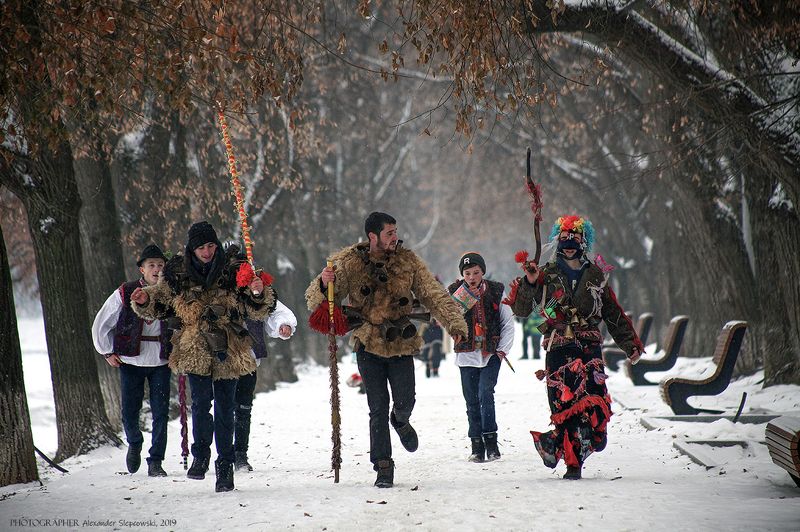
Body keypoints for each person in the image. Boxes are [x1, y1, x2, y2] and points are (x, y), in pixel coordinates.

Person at [305, 211, 468, 488]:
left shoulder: (408, 261)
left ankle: (401, 421)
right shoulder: (350, 263)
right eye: (389, 233)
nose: (394, 237)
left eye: (395, 231)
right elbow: (316, 300)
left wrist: (455, 324)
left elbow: (433, 293)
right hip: (368, 342)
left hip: (401, 341)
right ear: (373, 236)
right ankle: (383, 465)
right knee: (376, 406)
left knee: (405, 401)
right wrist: (323, 281)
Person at [131, 221, 275, 492]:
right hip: (195, 345)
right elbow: (160, 300)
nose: (207, 252)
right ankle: (200, 454)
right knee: (199, 403)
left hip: (229, 345)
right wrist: (143, 300)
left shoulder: (234, 268)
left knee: (225, 407)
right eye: (201, 247)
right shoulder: (177, 272)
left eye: (210, 246)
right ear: (192, 249)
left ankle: (225, 466)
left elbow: (256, 305)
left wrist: (257, 291)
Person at [508, 215, 642, 480]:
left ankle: (572, 443)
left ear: (584, 242)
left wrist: (631, 344)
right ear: (558, 242)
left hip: (589, 348)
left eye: (575, 240)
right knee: (565, 407)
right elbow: (522, 310)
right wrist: (531, 282)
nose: (569, 245)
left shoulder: (596, 275)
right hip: (559, 347)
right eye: (565, 240)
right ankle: (573, 462)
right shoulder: (544, 273)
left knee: (593, 403)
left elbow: (613, 313)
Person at [91, 244, 172, 477]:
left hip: (160, 361)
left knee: (160, 413)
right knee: (129, 410)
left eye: (160, 265)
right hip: (130, 360)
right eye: (152, 265)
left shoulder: (170, 293)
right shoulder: (125, 292)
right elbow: (102, 321)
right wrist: (106, 351)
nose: (157, 269)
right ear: (142, 269)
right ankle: (135, 442)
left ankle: (156, 460)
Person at [448, 252, 514, 463]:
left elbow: (507, 323)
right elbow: (449, 318)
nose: (472, 276)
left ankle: (491, 442)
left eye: (476, 272)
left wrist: (502, 350)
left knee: (486, 393)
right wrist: (466, 296)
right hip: (467, 355)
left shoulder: (496, 291)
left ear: (483, 272)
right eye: (467, 273)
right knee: (471, 401)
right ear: (462, 275)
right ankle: (476, 445)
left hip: (490, 354)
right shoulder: (454, 293)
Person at [234, 299, 297, 471]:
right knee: (222, 408)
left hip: (249, 357)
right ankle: (220, 454)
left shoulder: (256, 290)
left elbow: (275, 309)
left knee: (243, 408)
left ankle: (240, 454)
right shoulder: (216, 283)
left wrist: (283, 324)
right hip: (221, 355)